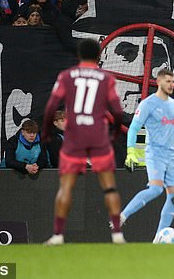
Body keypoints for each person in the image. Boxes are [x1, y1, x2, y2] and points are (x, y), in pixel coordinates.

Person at [42, 39, 125, 245]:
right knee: (109, 188)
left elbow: (52, 106)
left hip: (75, 136)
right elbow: (117, 111)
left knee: (66, 188)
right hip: (97, 136)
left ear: (79, 55)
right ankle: (116, 234)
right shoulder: (106, 78)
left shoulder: (66, 76)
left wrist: (46, 131)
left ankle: (58, 235)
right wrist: (113, 134)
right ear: (98, 56)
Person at [117, 68, 174, 240]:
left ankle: (158, 238)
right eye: (168, 81)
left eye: (173, 82)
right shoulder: (148, 104)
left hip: (171, 156)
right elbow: (134, 128)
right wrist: (131, 152)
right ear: (158, 81)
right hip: (155, 153)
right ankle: (122, 216)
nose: (171, 85)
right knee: (156, 189)